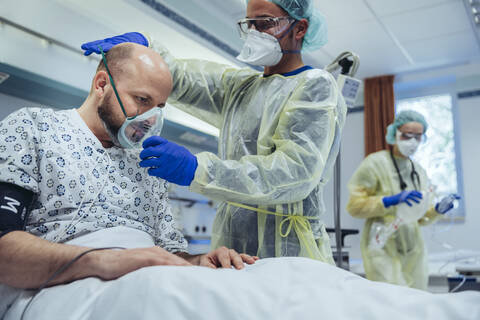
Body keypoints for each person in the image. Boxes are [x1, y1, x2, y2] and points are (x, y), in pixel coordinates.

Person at [0, 43, 257, 318]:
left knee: (269, 280)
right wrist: (109, 259)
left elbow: (169, 253)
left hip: (151, 277)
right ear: (101, 85)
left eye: (160, 107)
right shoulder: (33, 128)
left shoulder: (147, 164)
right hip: (65, 285)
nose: (150, 119)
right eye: (143, 100)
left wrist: (198, 260)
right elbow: (5, 251)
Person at [81, 0, 346, 262]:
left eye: (264, 24)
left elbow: (294, 174)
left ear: (299, 28)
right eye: (248, 24)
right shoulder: (241, 88)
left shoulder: (316, 87)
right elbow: (181, 78)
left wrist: (196, 169)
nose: (253, 33)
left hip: (290, 251)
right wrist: (146, 45)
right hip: (232, 249)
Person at [346, 110, 460, 290]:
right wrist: (389, 201)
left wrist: (438, 209)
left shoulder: (419, 171)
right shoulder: (375, 163)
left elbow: (421, 218)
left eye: (418, 136)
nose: (413, 141)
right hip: (381, 243)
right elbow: (354, 206)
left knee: (416, 301)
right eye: (407, 135)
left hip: (414, 247)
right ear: (394, 133)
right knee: (390, 301)